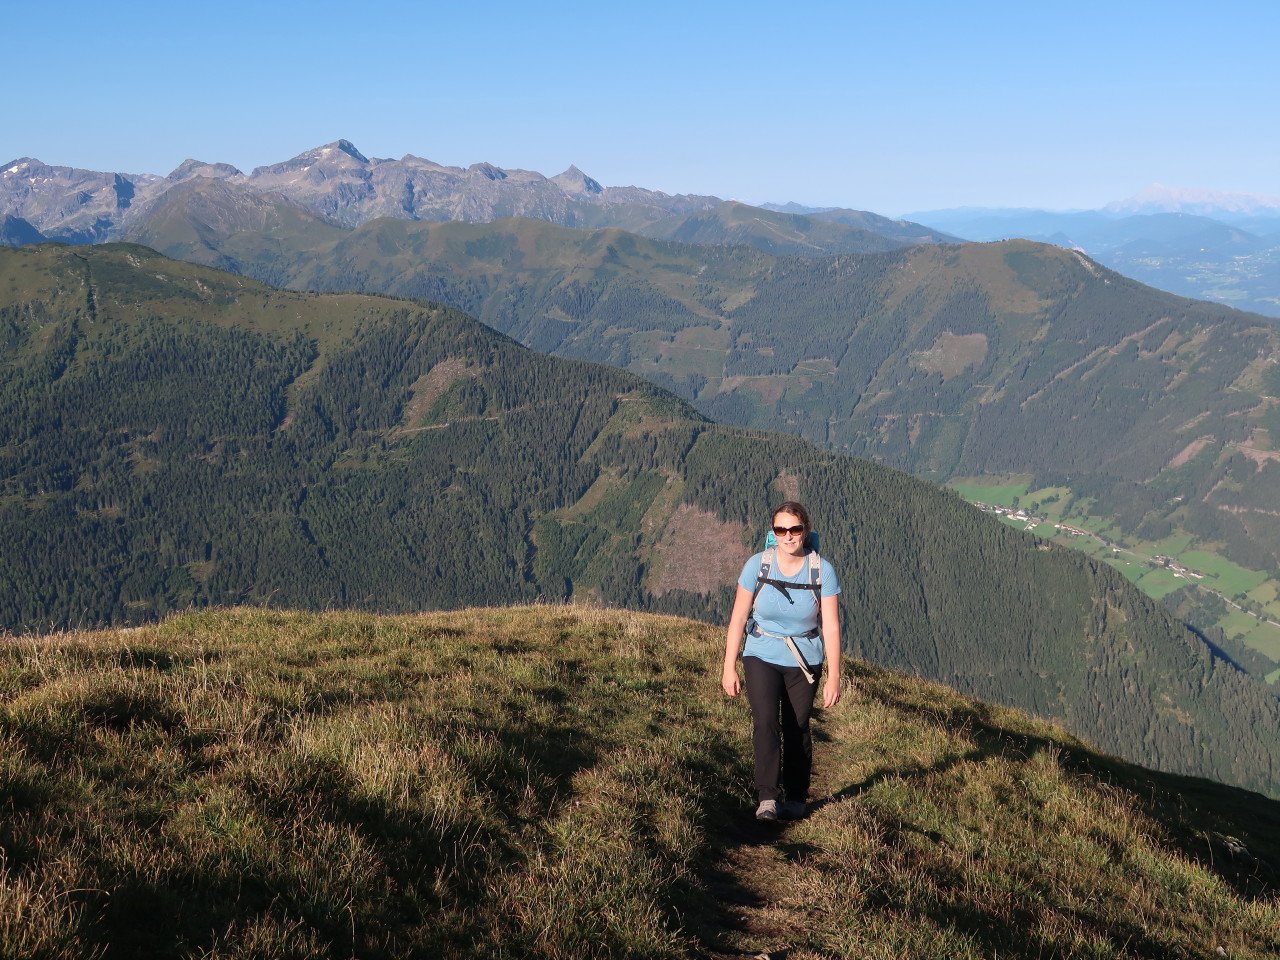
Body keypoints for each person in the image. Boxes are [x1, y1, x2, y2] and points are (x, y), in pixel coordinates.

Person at [721, 501, 842, 821]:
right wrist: (729, 666)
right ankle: (768, 797)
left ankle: (797, 795)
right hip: (761, 652)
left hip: (804, 660)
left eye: (794, 529)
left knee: (796, 726)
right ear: (773, 533)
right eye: (780, 530)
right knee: (765, 722)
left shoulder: (822, 571)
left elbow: (831, 626)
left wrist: (834, 676)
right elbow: (738, 618)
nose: (788, 536)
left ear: (805, 530)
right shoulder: (757, 565)